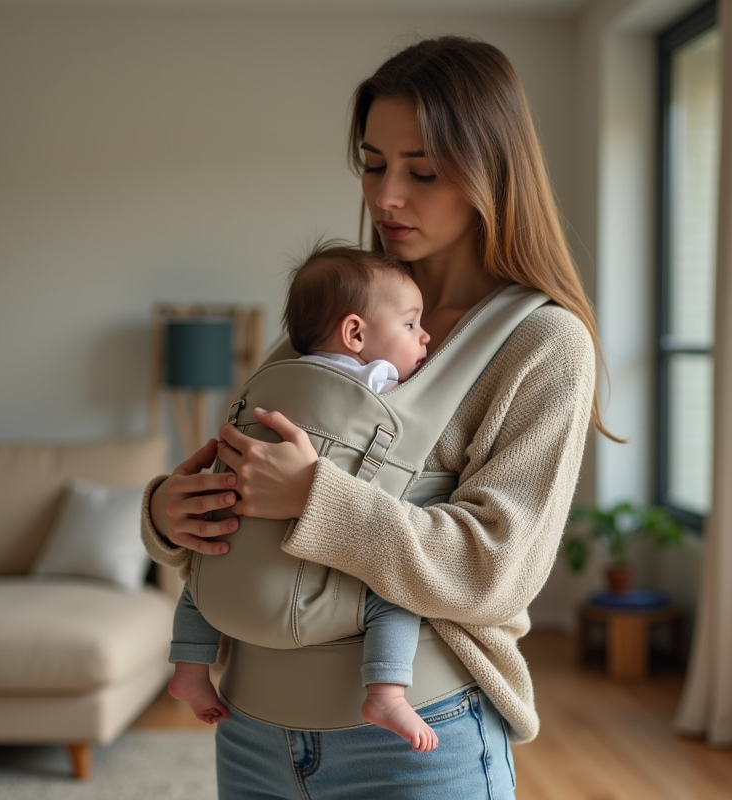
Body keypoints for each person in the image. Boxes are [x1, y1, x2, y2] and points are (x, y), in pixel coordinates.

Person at [142, 35, 614, 799]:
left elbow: (496, 568)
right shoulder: (337, 316)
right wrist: (166, 513)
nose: (387, 195)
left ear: (492, 171)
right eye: (372, 163)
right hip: (250, 730)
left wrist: (315, 499)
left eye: (422, 171)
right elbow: (241, 476)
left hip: (416, 738)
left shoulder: (541, 342)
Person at [167, 242, 438, 753]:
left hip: (239, 548)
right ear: (355, 333)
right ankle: (385, 690)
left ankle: (188, 667)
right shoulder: (376, 378)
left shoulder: (273, 379)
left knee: (204, 570)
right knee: (398, 595)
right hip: (315, 561)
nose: (424, 336)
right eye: (410, 324)